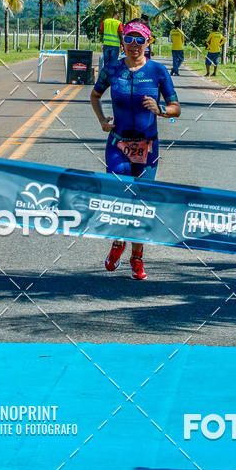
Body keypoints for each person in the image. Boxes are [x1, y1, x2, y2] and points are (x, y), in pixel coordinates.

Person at [89, 18, 180, 280]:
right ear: (122, 42)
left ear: (148, 42)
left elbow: (176, 107)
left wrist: (161, 110)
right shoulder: (111, 69)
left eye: (140, 40)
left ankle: (137, 257)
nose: (134, 45)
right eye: (129, 39)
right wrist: (102, 120)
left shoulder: (158, 72)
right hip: (118, 143)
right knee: (119, 198)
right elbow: (95, 95)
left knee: (141, 203)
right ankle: (118, 243)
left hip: (147, 147)